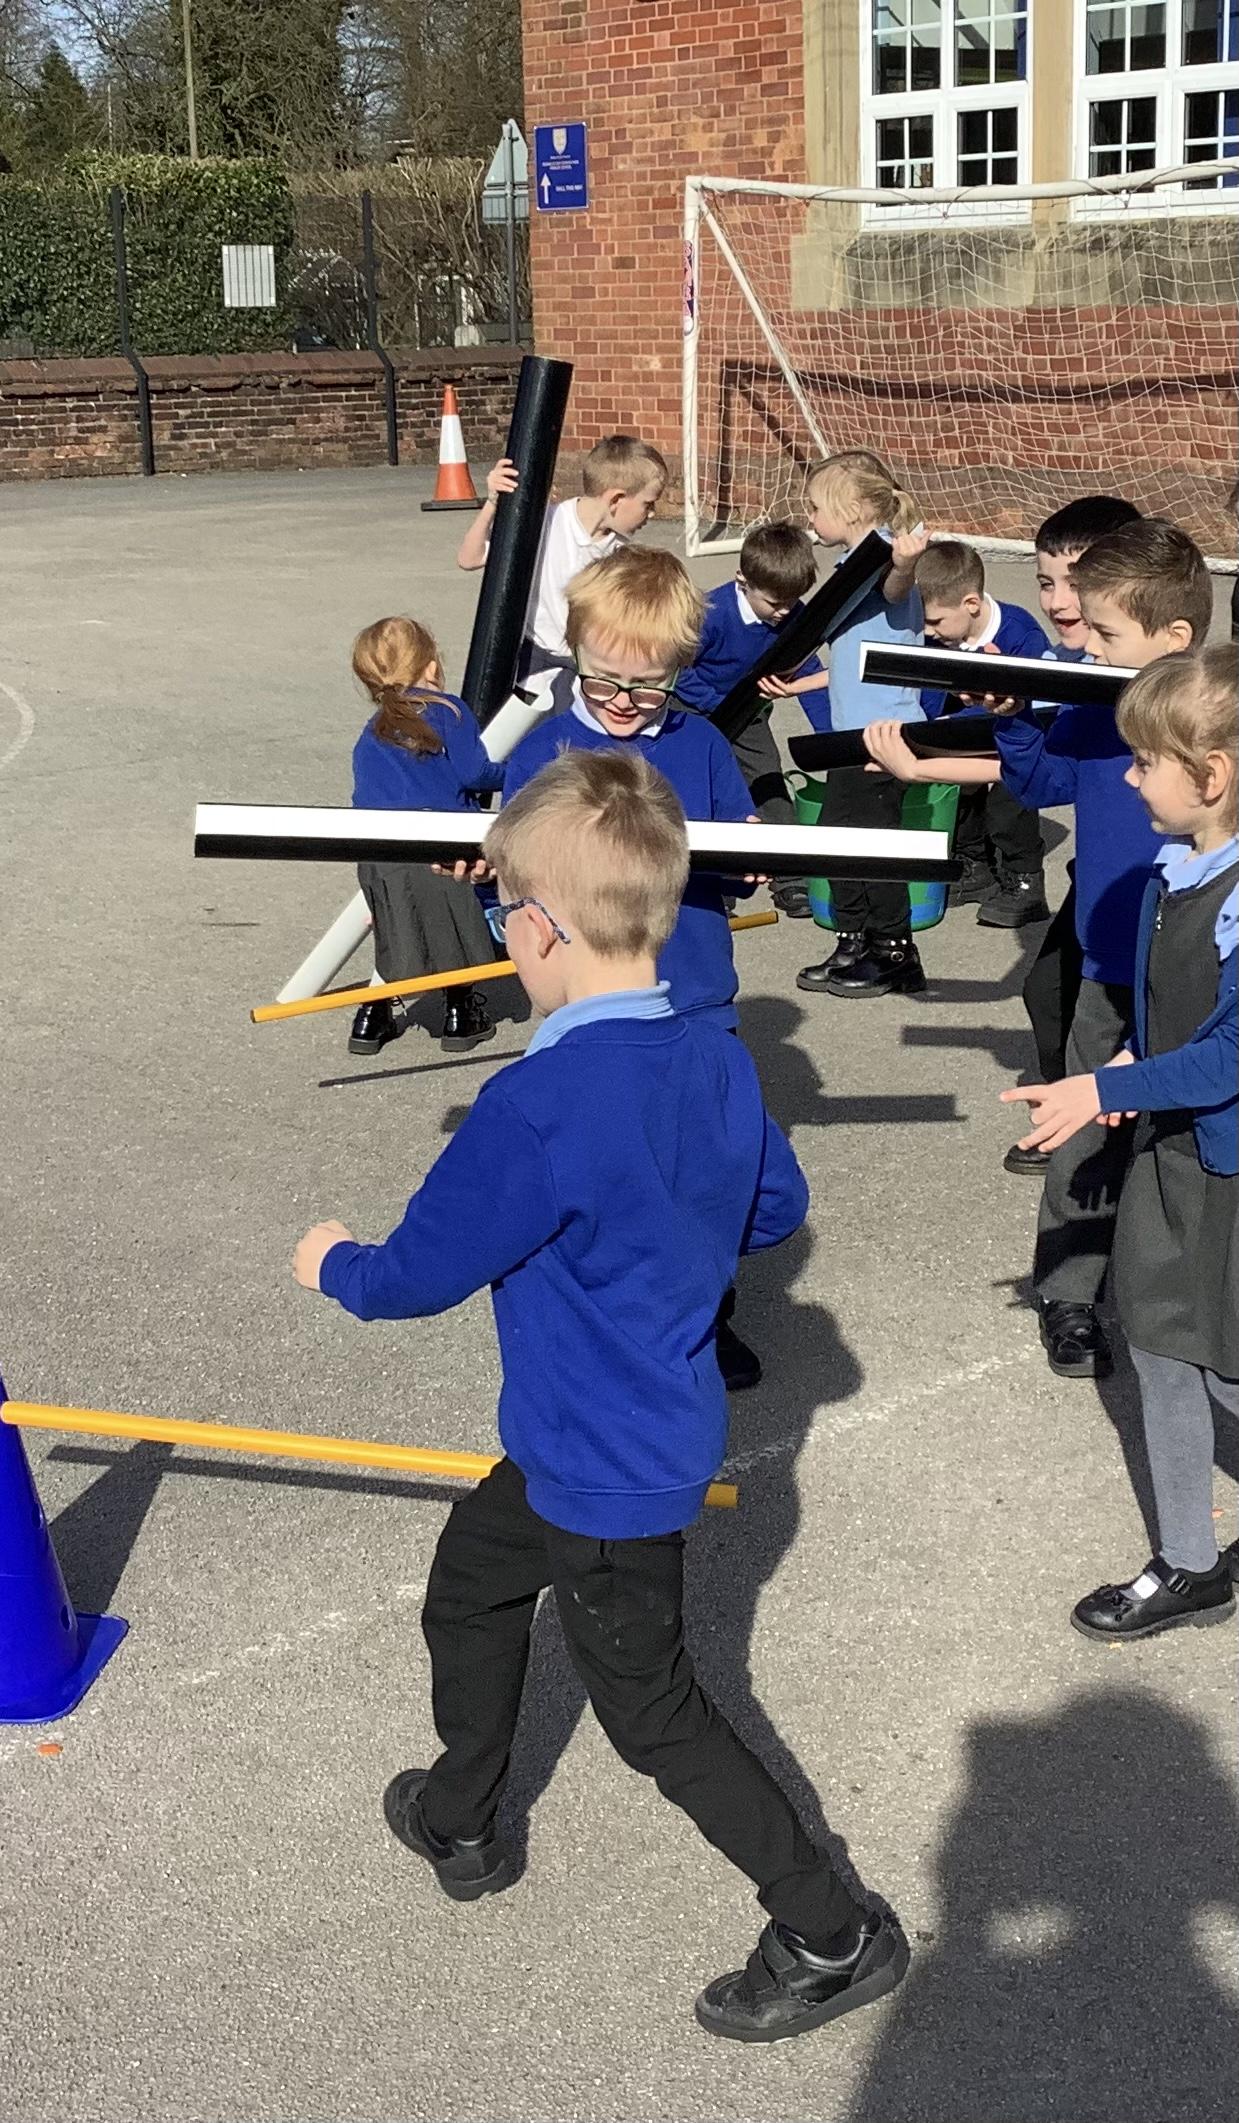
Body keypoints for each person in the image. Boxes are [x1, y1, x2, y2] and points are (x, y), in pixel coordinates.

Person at [291, 747, 909, 2045]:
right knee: (471, 1584)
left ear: (536, 929)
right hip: (582, 1437)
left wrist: (331, 1261)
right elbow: (774, 1207)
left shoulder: (534, 1104)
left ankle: (830, 1926)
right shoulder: (716, 1058)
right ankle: (461, 1814)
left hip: (611, 1471)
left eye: (500, 911)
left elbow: (411, 1278)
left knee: (655, 1712)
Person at [1001, 644, 1238, 1639]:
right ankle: (1190, 1561)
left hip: (1223, 1170)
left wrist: (1105, 1082)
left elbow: (1227, 1058)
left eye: (1145, 762)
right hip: (1170, 1157)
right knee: (1159, 1344)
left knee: (1223, 1363)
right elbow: (1179, 1012)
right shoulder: (1171, 872)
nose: (1130, 779)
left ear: (1211, 776)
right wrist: (1137, 1051)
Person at [499, 545, 768, 1390]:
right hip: (585, 1008)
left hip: (693, 997)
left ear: (678, 670)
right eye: (603, 679)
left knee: (699, 1169)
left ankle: (708, 1314)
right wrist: (484, 882)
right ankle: (610, 1313)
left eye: (647, 687)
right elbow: (509, 883)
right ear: (574, 650)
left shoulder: (702, 746)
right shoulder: (539, 755)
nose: (622, 701)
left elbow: (734, 846)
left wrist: (751, 858)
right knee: (602, 1163)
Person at [865, 495, 1143, 1177]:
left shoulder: (1160, 689)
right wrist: (924, 763)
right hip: (1101, 884)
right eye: (1046, 582)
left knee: (1144, 1018)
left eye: (1077, 582)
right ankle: (1075, 1118)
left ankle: (1109, 1133)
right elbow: (1044, 774)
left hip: (1160, 893)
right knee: (1051, 995)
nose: (1058, 601)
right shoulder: (1078, 676)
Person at [764, 451, 931, 999]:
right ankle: (853, 940)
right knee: (839, 844)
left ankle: (894, 952)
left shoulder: (879, 559)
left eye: (816, 507)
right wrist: (799, 685)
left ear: (853, 509)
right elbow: (856, 659)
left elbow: (895, 587)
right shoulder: (849, 567)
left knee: (871, 848)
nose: (809, 517)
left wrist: (904, 562)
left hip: (881, 738)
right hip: (850, 737)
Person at [347, 617, 504, 1058]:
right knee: (461, 915)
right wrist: (519, 772)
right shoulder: (448, 711)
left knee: (398, 926)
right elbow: (474, 773)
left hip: (381, 852)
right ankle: (459, 1011)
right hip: (443, 843)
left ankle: (371, 1015)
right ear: (431, 666)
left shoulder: (373, 730)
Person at [676, 521, 831, 919]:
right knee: (703, 788)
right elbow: (678, 669)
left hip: (749, 712)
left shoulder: (794, 616)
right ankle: (714, 884)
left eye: (793, 601)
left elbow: (806, 669)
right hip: (693, 709)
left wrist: (831, 735)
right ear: (742, 580)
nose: (784, 612)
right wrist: (715, 704)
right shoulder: (709, 614)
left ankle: (789, 875)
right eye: (774, 603)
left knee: (767, 780)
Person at [455, 434, 667, 705]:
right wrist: (493, 503)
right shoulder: (546, 521)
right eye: (648, 504)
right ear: (616, 499)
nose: (652, 514)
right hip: (530, 672)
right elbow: (470, 558)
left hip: (585, 680)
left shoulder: (621, 554)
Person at [914, 539, 1050, 929]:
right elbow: (929, 695)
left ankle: (1025, 880)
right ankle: (975, 866)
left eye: (935, 621)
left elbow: (1036, 706)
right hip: (963, 731)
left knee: (1010, 797)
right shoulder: (937, 638)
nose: (928, 630)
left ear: (971, 604)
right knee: (954, 784)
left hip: (1019, 735)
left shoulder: (1020, 634)